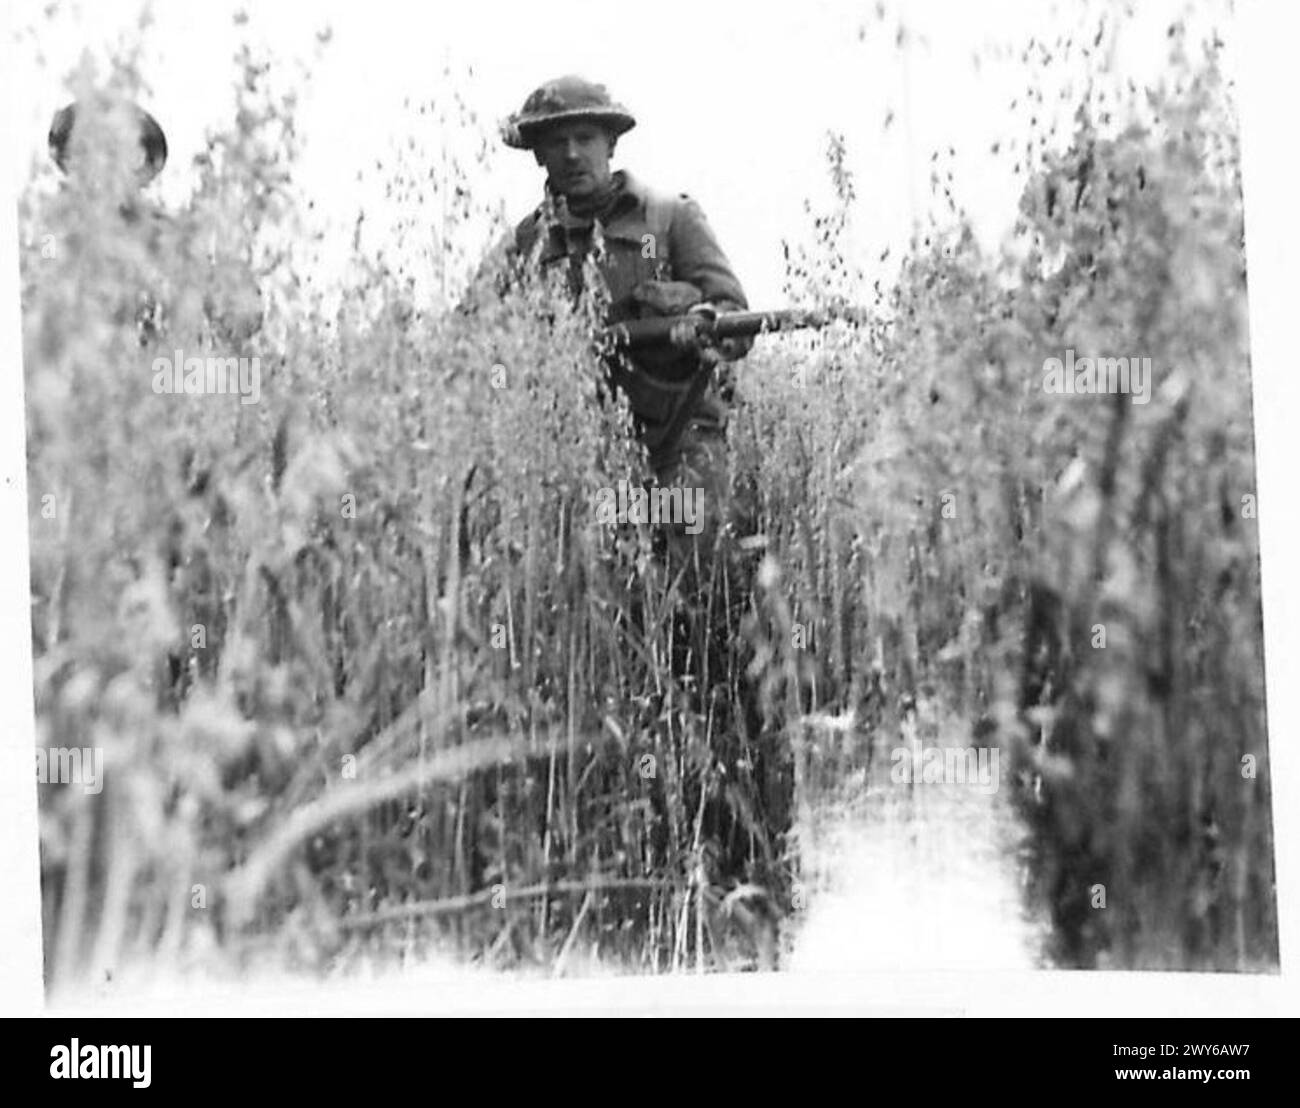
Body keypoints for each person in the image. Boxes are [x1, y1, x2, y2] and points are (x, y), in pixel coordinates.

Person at [497, 75, 753, 591]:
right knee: (608, 591)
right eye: (556, 142)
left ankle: (716, 669)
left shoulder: (669, 218)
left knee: (695, 582)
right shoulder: (526, 245)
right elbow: (474, 336)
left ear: (610, 143)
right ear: (538, 156)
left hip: (681, 443)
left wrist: (701, 325)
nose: (572, 154)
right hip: (587, 450)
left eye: (585, 138)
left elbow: (735, 316)